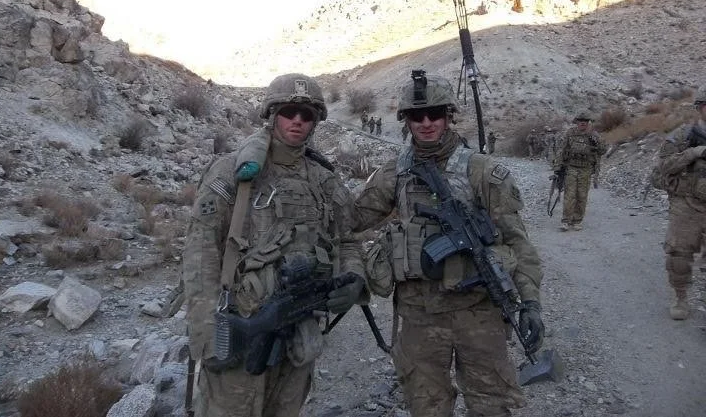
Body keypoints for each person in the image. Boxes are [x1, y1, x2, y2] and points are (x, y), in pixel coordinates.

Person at [353, 71, 544, 417]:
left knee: (491, 405)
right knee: (426, 406)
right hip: (419, 315)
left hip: (479, 311)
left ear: (449, 115)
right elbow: (350, 221)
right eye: (417, 115)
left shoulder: (482, 171)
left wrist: (531, 303)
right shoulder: (394, 173)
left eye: (435, 114)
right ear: (406, 120)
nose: (426, 123)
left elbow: (518, 242)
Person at [183, 73, 367, 417]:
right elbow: (200, 252)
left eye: (306, 114)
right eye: (288, 111)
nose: (297, 120)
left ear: (315, 122)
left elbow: (349, 239)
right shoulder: (231, 172)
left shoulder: (324, 180)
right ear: (272, 114)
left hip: (299, 331)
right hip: (241, 327)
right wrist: (209, 335)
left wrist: (354, 279)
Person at [653, 86, 706, 320]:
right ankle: (680, 296)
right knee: (679, 255)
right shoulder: (682, 136)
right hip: (687, 203)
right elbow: (664, 166)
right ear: (700, 108)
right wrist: (693, 153)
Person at [553, 110, 607, 231]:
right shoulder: (570, 133)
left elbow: (603, 151)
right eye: (580, 121)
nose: (583, 123)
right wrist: (557, 167)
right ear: (577, 122)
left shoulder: (594, 135)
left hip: (586, 170)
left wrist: (596, 142)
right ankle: (566, 221)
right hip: (571, 168)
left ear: (588, 122)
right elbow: (562, 150)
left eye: (585, 121)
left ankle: (577, 221)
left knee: (582, 196)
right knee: (569, 195)